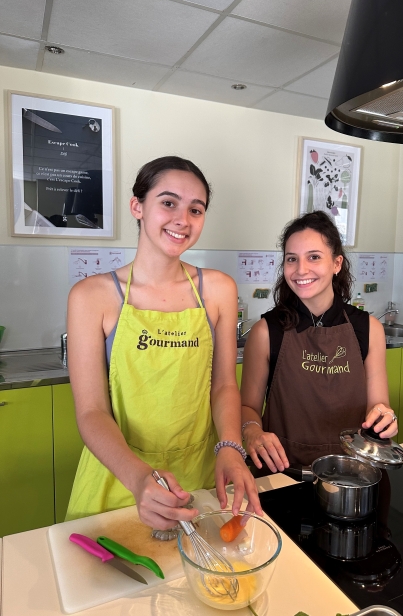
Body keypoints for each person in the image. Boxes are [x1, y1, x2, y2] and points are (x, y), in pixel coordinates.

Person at [66, 156, 262, 529]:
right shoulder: (91, 296)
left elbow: (222, 385)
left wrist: (231, 448)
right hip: (120, 476)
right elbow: (91, 411)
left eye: (196, 209)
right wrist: (140, 478)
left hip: (199, 475)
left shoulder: (219, 290)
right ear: (137, 206)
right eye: (168, 203)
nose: (182, 220)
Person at [241, 210, 398, 473]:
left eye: (314, 257)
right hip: (283, 472)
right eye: (292, 259)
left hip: (353, 473)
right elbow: (247, 408)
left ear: (336, 264)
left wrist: (385, 418)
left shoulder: (369, 329)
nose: (301, 270)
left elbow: (379, 406)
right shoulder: (266, 332)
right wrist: (252, 432)